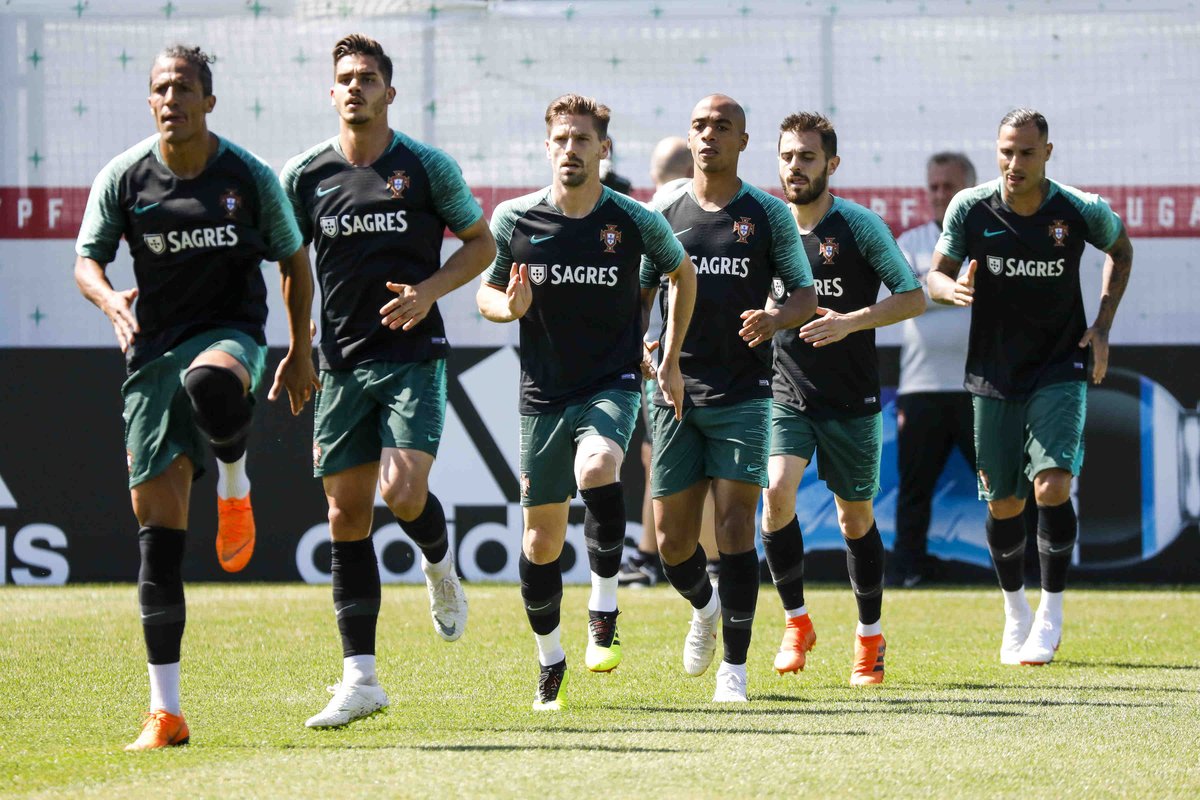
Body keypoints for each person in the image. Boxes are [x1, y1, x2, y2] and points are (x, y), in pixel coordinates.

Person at [74, 45, 316, 750]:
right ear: (150, 102)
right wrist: (109, 302)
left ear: (210, 101)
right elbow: (87, 259)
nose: (170, 98)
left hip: (229, 337)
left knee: (209, 381)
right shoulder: (125, 177)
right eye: (159, 89)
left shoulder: (247, 177)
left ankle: (235, 484)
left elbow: (292, 257)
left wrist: (300, 350)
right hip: (150, 356)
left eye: (183, 87)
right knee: (159, 540)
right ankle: (166, 712)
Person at [281, 34, 496, 727]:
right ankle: (360, 680)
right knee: (345, 515)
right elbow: (293, 265)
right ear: (331, 90)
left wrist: (430, 291)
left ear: (389, 92)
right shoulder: (304, 175)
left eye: (367, 77)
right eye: (344, 77)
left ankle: (439, 567)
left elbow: (482, 244)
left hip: (412, 356)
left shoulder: (425, 167)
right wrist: (298, 348)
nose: (354, 87)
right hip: (339, 364)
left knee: (402, 493)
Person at [476, 93, 696, 710]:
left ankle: (604, 605)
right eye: (561, 140)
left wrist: (669, 355)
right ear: (547, 147)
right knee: (539, 545)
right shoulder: (515, 220)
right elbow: (488, 296)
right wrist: (509, 307)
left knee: (598, 467)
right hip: (543, 394)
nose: (570, 150)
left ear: (604, 149)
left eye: (582, 140)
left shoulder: (632, 219)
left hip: (613, 383)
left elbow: (682, 274)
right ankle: (550, 660)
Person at [928, 108, 1132, 665]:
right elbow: (934, 274)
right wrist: (952, 289)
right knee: (1005, 504)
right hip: (993, 375)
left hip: (1060, 367)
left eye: (1025, 152)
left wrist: (1103, 326)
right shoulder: (970, 207)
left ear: (1047, 152)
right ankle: (1016, 611)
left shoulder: (1078, 209)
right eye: (1005, 151)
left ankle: (1052, 610)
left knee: (1052, 486)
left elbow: (1121, 249)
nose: (1013, 163)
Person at [644, 95, 816, 702]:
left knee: (737, 524)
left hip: (744, 391)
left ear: (744, 141)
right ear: (688, 139)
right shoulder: (663, 207)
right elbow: (640, 293)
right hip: (673, 389)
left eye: (722, 127)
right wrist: (644, 345)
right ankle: (705, 606)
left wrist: (775, 320)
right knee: (672, 544)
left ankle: (734, 671)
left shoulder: (767, 214)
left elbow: (804, 293)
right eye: (699, 126)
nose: (708, 135)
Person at [761, 112, 924, 686]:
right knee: (776, 494)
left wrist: (850, 322)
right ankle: (796, 622)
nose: (795, 167)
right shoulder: (766, 226)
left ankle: (870, 636)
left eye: (807, 157)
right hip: (786, 393)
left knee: (854, 518)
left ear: (832, 164)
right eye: (787, 156)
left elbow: (912, 297)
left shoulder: (858, 226)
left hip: (852, 397)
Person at [618, 135, 722, 588]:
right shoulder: (724, 205)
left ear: (656, 175)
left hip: (664, 354)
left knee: (668, 454)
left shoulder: (657, 207)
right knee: (673, 454)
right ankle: (657, 557)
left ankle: (662, 559)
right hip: (721, 352)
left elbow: (637, 287)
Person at [888, 152, 978, 588]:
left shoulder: (990, 241)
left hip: (982, 385)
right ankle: (907, 569)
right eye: (935, 187)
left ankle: (1023, 568)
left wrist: (933, 287)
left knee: (1004, 488)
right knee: (914, 490)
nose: (941, 195)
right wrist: (952, 289)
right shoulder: (911, 242)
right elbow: (906, 299)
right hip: (921, 387)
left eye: (951, 187)